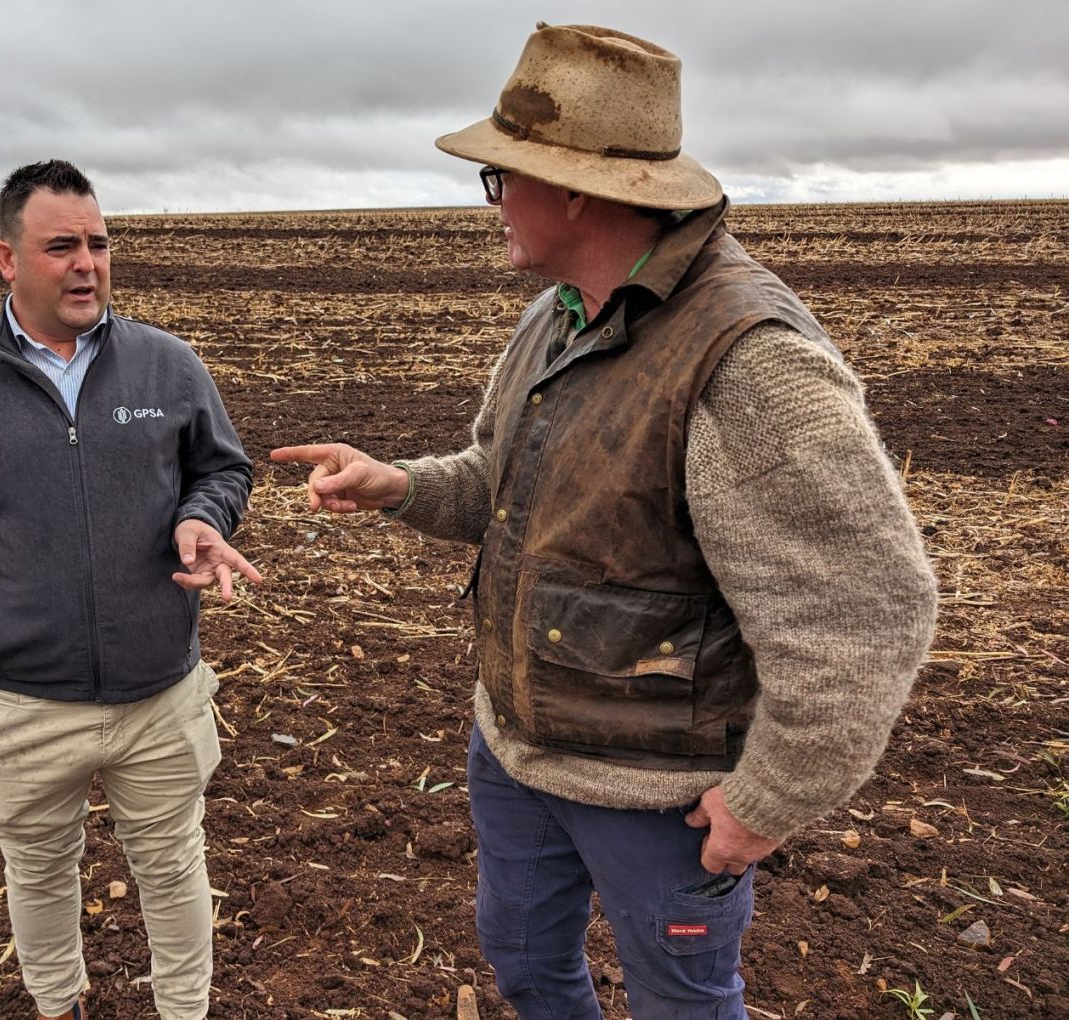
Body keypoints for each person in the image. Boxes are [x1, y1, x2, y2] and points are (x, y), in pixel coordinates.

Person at [273, 24, 936, 1020]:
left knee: (683, 1005)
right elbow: (504, 482)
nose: (491, 204)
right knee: (527, 964)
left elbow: (870, 605)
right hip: (515, 751)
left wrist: (766, 804)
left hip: (656, 797)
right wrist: (398, 486)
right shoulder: (559, 315)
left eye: (501, 179)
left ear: (575, 190)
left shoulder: (747, 360)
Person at [0, 159, 259, 1020]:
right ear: (5, 259)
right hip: (16, 705)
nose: (86, 263)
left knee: (172, 867)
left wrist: (206, 516)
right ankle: (60, 1007)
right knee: (41, 873)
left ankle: (184, 1013)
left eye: (98, 243)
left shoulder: (167, 366)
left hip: (159, 694)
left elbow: (223, 469)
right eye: (60, 247)